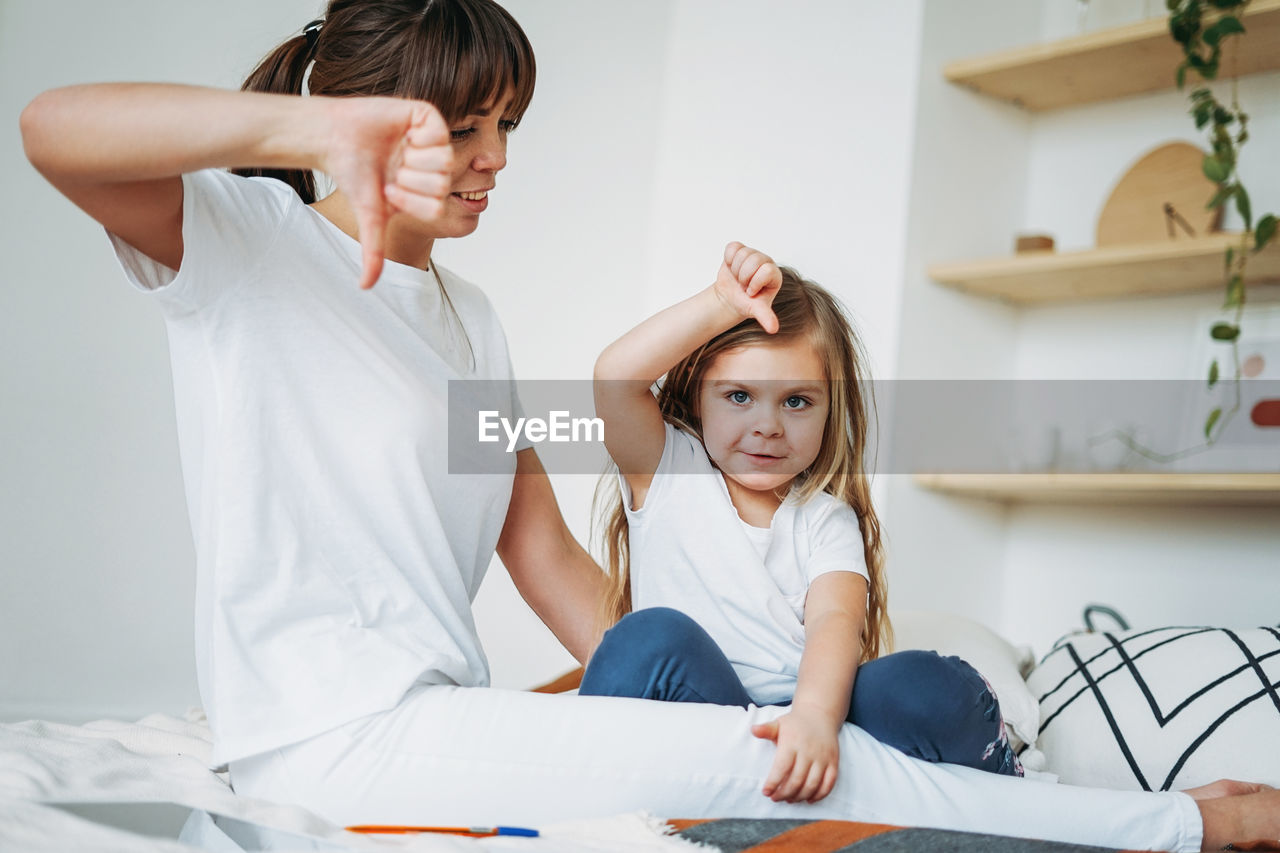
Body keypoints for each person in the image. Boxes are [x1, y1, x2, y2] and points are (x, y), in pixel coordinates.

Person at [18, 1, 1280, 850]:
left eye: (506, 124)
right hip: (321, 734)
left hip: (433, 713)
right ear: (363, 120)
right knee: (795, 769)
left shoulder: (471, 315)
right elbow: (50, 130)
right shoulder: (253, 248)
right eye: (463, 128)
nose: (495, 157)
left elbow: (543, 551)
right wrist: (306, 133)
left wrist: (683, 699)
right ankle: (1185, 824)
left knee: (761, 750)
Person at [581, 244, 1021, 807]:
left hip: (809, 708)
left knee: (923, 683)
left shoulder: (824, 517)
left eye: (796, 401)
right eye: (739, 396)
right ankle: (582, 809)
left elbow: (836, 619)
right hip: (711, 713)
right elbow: (613, 376)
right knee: (647, 639)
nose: (767, 426)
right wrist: (720, 302)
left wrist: (813, 717)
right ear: (698, 396)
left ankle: (1009, 780)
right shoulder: (669, 470)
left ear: (830, 411)